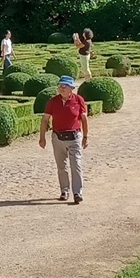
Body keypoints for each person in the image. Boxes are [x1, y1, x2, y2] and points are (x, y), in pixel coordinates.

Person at [40, 76, 91, 205]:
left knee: (76, 165)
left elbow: (84, 120)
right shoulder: (53, 101)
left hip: (75, 137)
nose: (61, 88)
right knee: (61, 166)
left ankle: (77, 193)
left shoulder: (79, 100)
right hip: (58, 137)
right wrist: (42, 138)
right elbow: (45, 119)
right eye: (60, 86)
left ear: (71, 88)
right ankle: (64, 191)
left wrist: (85, 136)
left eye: (64, 86)